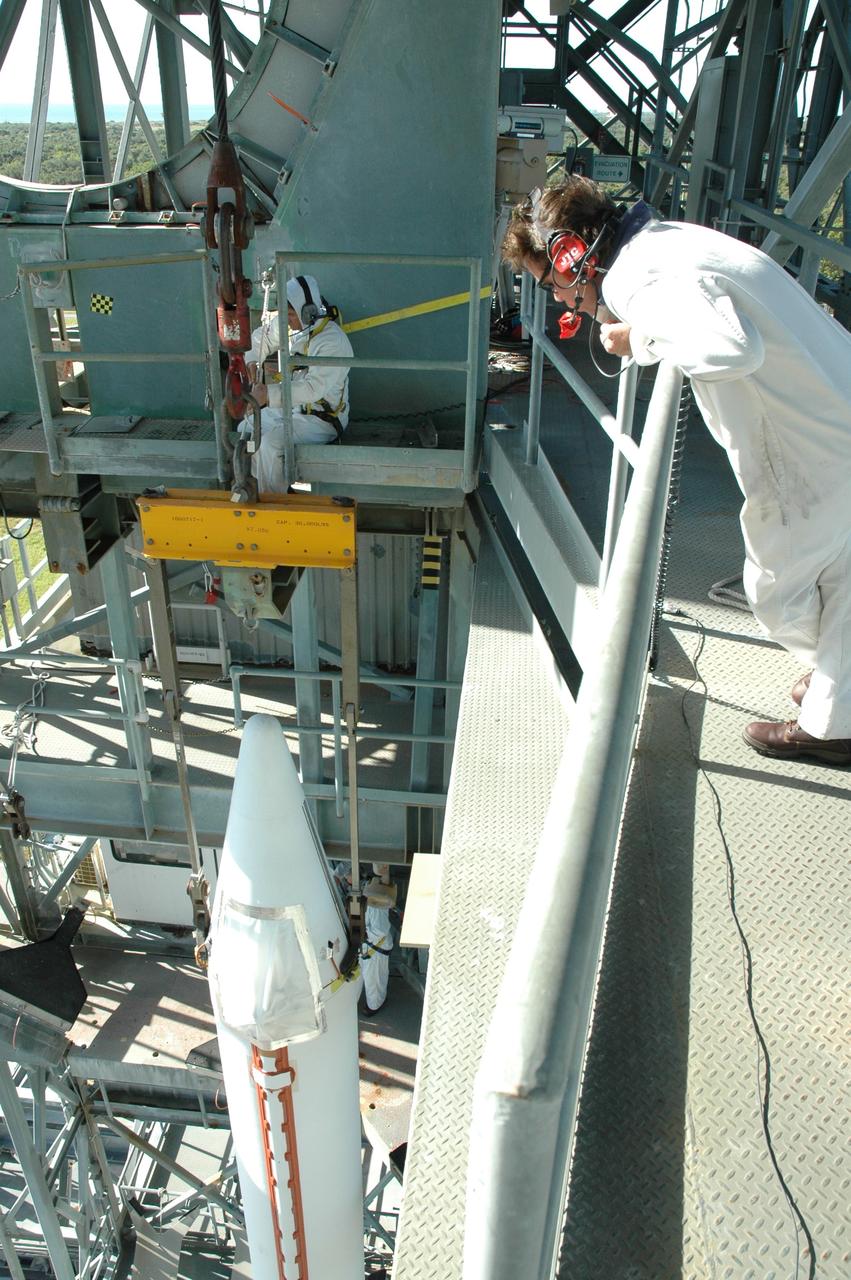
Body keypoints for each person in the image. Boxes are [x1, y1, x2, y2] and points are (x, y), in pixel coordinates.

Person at [502, 176, 851, 765]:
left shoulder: (635, 278)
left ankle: (838, 701)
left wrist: (638, 337)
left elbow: (732, 350)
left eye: (551, 282)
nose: (561, 301)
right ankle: (836, 698)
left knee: (774, 592)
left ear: (570, 255)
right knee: (841, 582)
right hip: (832, 419)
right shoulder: (665, 241)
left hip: (809, 457)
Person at [245, 273, 353, 493]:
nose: (287, 321)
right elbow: (260, 339)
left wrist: (267, 395)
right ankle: (264, 487)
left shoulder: (333, 342)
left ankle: (274, 503)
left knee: (269, 444)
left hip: (321, 420)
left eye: (291, 315)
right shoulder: (294, 325)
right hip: (294, 410)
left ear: (308, 312)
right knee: (246, 426)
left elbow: (312, 389)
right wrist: (253, 361)